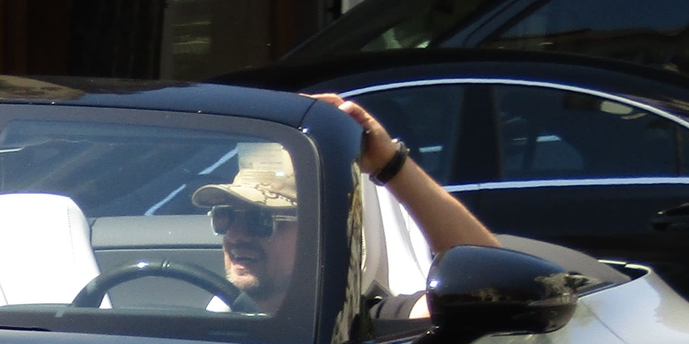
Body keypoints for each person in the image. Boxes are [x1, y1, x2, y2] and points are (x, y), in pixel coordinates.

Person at [190, 91, 496, 309]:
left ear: (321, 235)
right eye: (226, 216)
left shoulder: (369, 324)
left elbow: (493, 286)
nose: (237, 236)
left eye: (262, 220)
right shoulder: (221, 315)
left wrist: (391, 165)